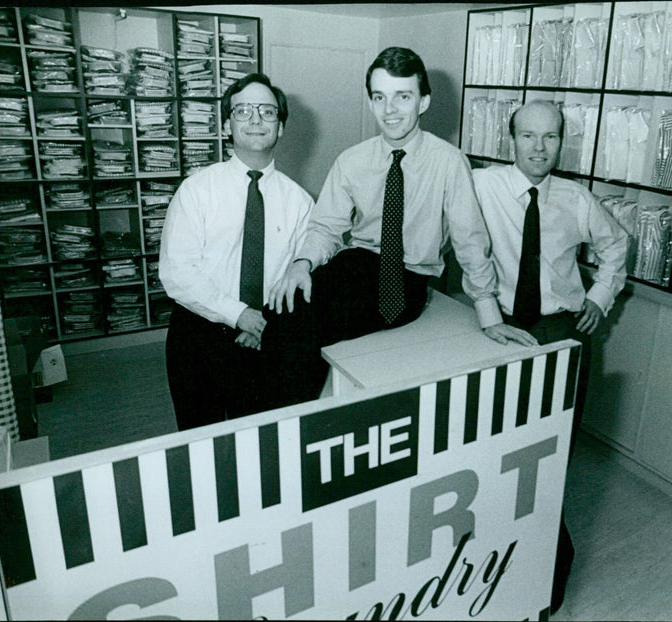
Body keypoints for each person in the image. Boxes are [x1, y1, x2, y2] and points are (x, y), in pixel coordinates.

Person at [260, 46, 518, 409]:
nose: (390, 110)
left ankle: (292, 426)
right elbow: (327, 227)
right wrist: (302, 265)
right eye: (379, 97)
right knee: (282, 306)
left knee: (297, 327)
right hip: (358, 264)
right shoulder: (352, 160)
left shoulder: (449, 162)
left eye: (403, 97)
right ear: (370, 101)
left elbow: (470, 240)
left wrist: (488, 313)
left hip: (404, 280)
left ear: (423, 102)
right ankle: (274, 421)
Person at [472, 99, 629, 614]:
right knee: (497, 455)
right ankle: (493, 566)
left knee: (551, 454)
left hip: (562, 334)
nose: (539, 148)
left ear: (562, 140)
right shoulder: (481, 186)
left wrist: (599, 299)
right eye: (528, 136)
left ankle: (546, 572)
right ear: (510, 139)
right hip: (499, 333)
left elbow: (617, 246)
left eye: (550, 137)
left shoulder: (575, 198)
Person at [159, 73, 313, 431]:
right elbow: (177, 273)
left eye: (267, 112)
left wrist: (264, 325)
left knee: (258, 442)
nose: (256, 120)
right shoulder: (196, 191)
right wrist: (239, 314)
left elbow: (302, 276)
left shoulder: (301, 202)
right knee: (201, 444)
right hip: (200, 337)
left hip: (266, 337)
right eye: (243, 111)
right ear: (227, 124)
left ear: (281, 127)